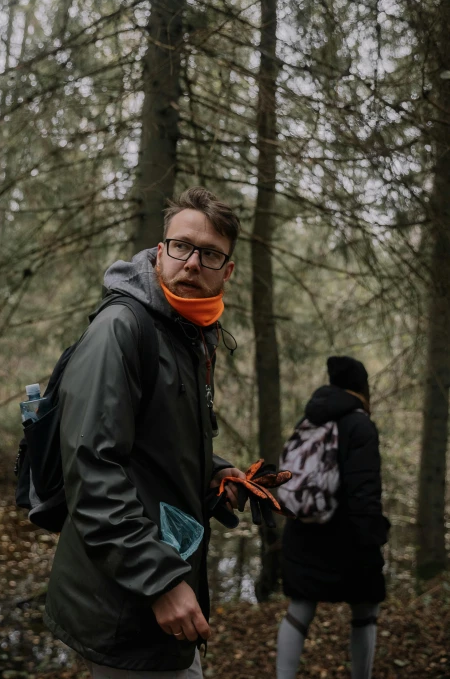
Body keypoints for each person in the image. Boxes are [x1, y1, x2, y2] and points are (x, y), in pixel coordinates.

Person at [44, 187, 245, 678]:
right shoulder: (123, 328)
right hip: (125, 599)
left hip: (162, 589)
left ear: (228, 270)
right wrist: (159, 581)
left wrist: (214, 475)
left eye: (210, 253)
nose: (192, 262)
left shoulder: (188, 333)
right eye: (181, 246)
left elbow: (152, 446)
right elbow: (91, 468)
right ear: (161, 251)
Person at [277, 356, 390, 679]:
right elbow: (364, 490)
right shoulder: (359, 425)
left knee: (299, 611)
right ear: (361, 387)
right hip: (348, 537)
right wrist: (373, 539)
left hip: (303, 531)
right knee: (365, 611)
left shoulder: (310, 419)